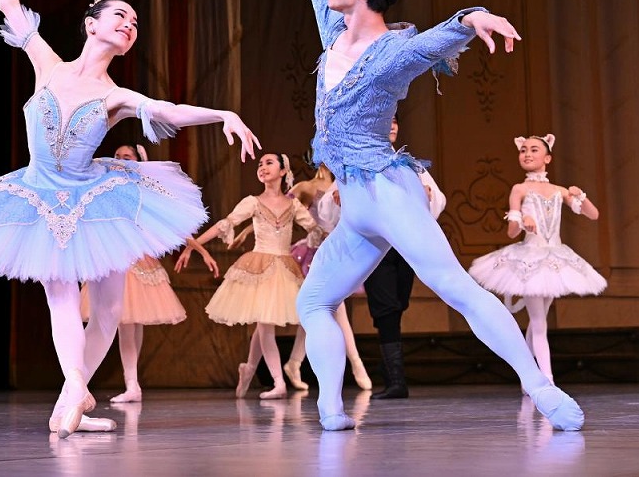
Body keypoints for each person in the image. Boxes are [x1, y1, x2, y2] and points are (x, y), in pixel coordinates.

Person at [250, 0, 585, 432]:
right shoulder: (333, 30)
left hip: (389, 192)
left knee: (454, 286)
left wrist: (472, 17)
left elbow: (437, 40)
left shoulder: (393, 52)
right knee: (313, 300)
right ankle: (331, 409)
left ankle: (541, 388)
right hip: (356, 207)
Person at [0, 0, 260, 438]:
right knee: (60, 296)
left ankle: (73, 402)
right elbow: (11, 8)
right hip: (38, 196)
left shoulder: (115, 95)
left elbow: (169, 110)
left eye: (135, 22)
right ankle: (76, 389)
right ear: (91, 25)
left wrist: (223, 114)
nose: (130, 24)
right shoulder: (48, 65)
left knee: (107, 310)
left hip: (94, 199)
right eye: (121, 15)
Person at [79, 143, 220, 404]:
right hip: (113, 259)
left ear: (137, 161)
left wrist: (202, 251)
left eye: (127, 156)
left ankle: (131, 384)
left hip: (136, 262)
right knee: (124, 324)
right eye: (117, 156)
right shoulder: (106, 189)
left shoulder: (143, 192)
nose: (120, 160)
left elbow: (172, 225)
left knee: (131, 323)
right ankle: (126, 384)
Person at [174, 153, 323, 400]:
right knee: (264, 325)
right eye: (260, 164)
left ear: (283, 171)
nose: (262, 167)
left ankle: (249, 368)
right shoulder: (252, 202)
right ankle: (278, 382)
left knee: (264, 324)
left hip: (284, 270)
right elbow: (224, 224)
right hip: (259, 268)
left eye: (269, 163)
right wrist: (193, 246)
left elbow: (315, 230)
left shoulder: (294, 205)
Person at [468, 134, 606, 386]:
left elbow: (594, 215)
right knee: (539, 323)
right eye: (523, 150)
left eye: (533, 150)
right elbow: (511, 232)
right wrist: (522, 221)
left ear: (547, 158)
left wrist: (582, 196)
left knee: (538, 321)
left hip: (555, 258)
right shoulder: (519, 189)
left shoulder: (559, 191)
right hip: (529, 260)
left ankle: (528, 375)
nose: (527, 154)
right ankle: (546, 381)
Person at [360, 113, 447, 399]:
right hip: (378, 246)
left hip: (405, 245)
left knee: (397, 305)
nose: (392, 125)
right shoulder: (361, 161)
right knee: (386, 310)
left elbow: (438, 199)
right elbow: (332, 206)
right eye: (386, 119)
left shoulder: (410, 163)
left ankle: (391, 373)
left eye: (395, 121)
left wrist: (424, 196)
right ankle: (396, 380)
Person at [278, 162, 371, 392]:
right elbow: (279, 210)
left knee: (316, 310)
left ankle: (294, 362)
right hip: (315, 255)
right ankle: (356, 363)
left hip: (338, 252)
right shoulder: (307, 187)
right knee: (334, 308)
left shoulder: (347, 184)